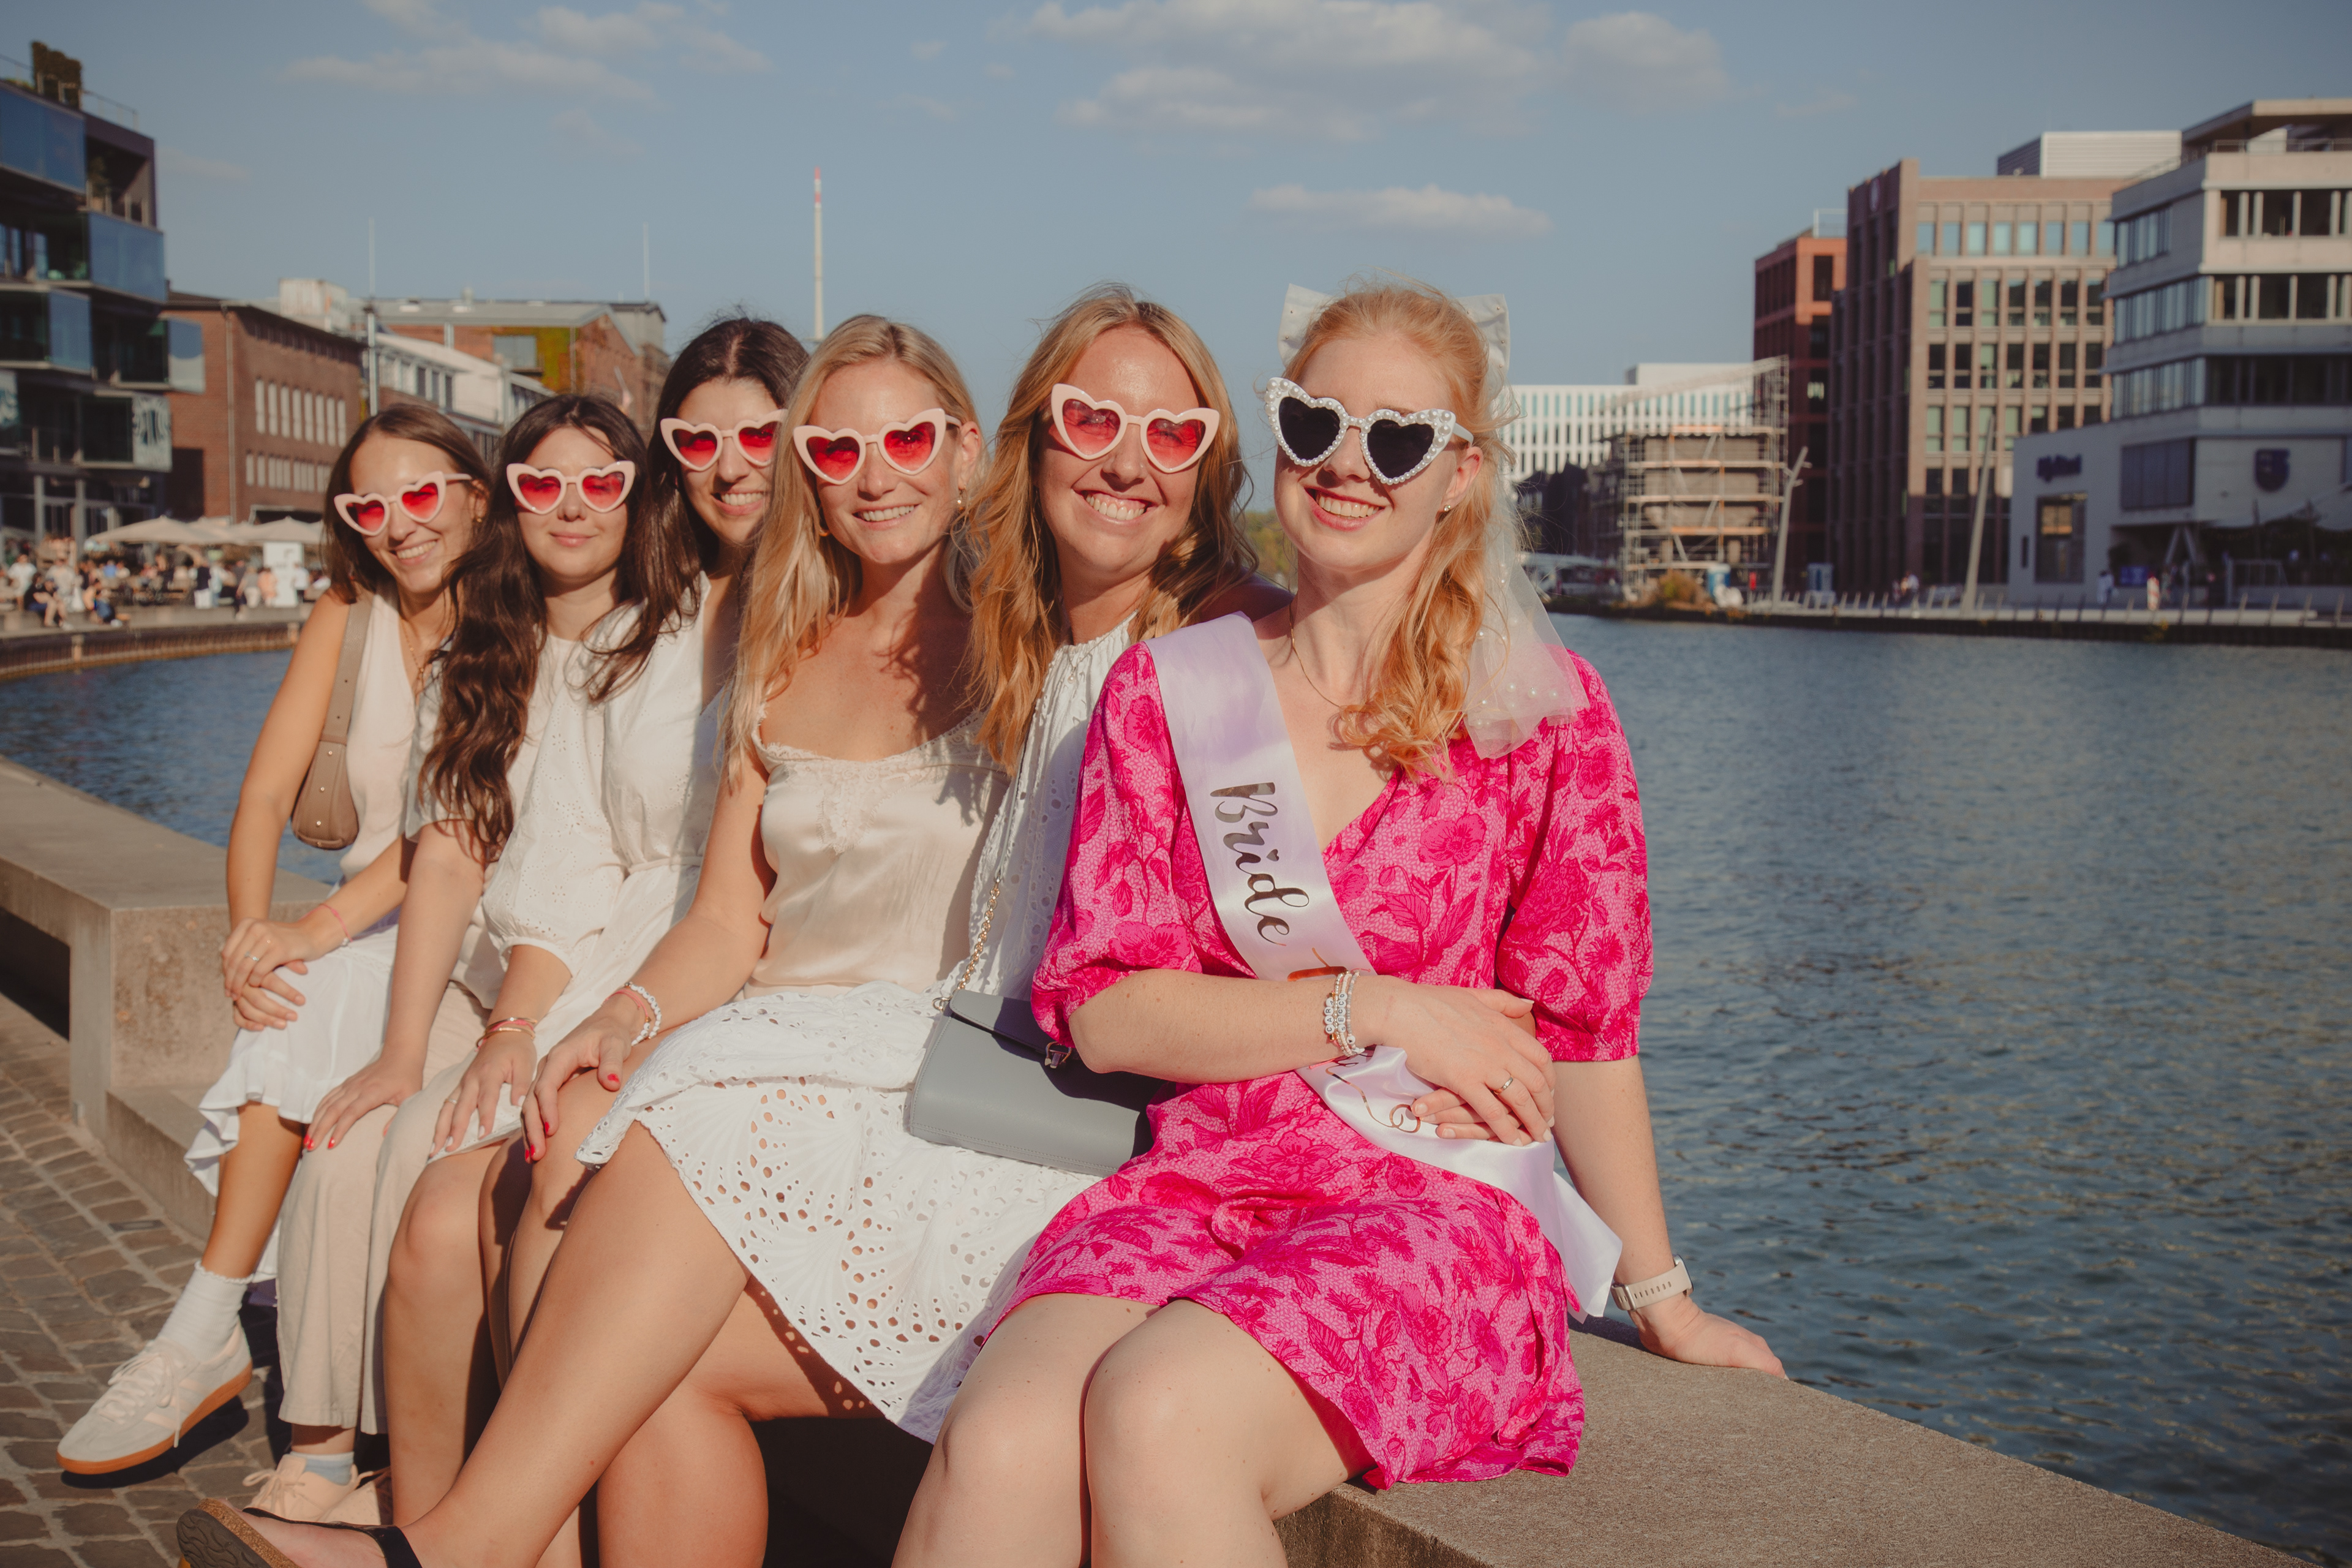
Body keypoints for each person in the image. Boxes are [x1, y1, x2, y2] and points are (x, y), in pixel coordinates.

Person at [179, 287, 1282, 1568]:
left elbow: (1291, 871)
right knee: (588, 1216)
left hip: (991, 1086)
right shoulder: (837, 638)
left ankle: (458, 1545)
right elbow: (718, 909)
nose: (875, 475)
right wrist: (616, 1016)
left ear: (968, 446)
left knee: (638, 1171)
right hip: (866, 1050)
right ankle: (469, 1535)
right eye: (836, 447)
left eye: (908, 440)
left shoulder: (1105, 636)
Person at [894, 281, 1785, 1566]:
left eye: (1399, 438)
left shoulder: (1542, 713)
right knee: (1003, 1436)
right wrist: (1377, 1006)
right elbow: (1108, 1007)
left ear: (1462, 475)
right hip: (1203, 1182)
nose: (1348, 465)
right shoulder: (1167, 692)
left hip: (1433, 1204)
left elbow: (1588, 1033)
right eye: (1316, 424)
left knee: (1159, 1413)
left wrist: (1662, 1298)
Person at [374, 317, 807, 1532]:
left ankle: (501, 1535)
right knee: (436, 1223)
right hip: (633, 951)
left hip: (768, 968)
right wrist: (516, 1022)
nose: (732, 464)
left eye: (762, 434)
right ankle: (431, 1535)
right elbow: (567, 847)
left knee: (547, 1178)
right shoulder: (640, 634)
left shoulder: (851, 621)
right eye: (699, 441)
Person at [55, 406, 493, 1494]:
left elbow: (451, 828)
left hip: (477, 916)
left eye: (422, 495)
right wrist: (248, 939)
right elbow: (259, 797)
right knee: (294, 992)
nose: (399, 524)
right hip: (361, 925)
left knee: (316, 987)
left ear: (477, 495)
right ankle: (209, 1330)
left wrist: (311, 932)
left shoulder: (519, 618)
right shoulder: (347, 615)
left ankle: (204, 1329)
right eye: (368, 506)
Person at [249, 395, 646, 1518]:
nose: (570, 505)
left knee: (429, 1144)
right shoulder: (483, 654)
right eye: (543, 483)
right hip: (490, 974)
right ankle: (323, 1449)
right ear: (508, 498)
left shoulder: (663, 646)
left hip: (595, 979)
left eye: (601, 482)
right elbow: (446, 857)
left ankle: (426, 1467)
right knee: (342, 1143)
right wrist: (400, 1048)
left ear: (636, 494)